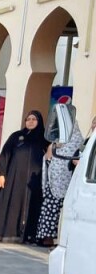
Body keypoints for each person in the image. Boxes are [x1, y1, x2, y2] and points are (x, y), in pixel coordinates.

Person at [0, 110, 45, 244]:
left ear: (39, 122)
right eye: (28, 119)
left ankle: (25, 236)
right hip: (13, 179)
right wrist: (1, 174)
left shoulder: (43, 140)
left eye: (34, 119)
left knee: (28, 207)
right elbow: (5, 155)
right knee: (7, 205)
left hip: (32, 183)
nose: (30, 122)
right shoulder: (16, 136)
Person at [36, 102, 83, 247]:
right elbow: (49, 156)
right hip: (53, 179)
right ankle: (46, 236)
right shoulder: (56, 140)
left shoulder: (78, 140)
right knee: (50, 207)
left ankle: (63, 238)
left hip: (69, 179)